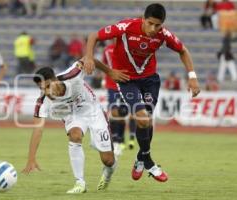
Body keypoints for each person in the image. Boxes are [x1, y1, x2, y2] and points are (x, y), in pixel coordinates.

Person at [83, 3, 200, 182]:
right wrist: (90, 57)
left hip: (150, 80)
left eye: (158, 25)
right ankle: (149, 162)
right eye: (150, 23)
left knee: (147, 122)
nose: (153, 29)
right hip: (126, 80)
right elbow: (94, 36)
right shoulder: (126, 27)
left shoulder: (163, 35)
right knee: (143, 118)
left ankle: (140, 158)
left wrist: (192, 77)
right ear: (143, 19)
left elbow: (183, 51)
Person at [22, 59, 129, 193]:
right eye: (42, 88)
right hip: (73, 116)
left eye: (48, 86)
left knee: (108, 160)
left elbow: (88, 59)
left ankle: (108, 173)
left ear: (56, 79)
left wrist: (109, 72)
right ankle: (80, 182)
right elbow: (37, 130)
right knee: (75, 135)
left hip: (93, 111)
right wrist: (31, 158)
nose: (47, 92)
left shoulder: (73, 74)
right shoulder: (43, 101)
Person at [102, 40, 136, 157]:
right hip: (111, 85)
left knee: (122, 113)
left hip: (124, 84)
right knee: (114, 111)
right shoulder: (107, 50)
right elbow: (105, 65)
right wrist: (104, 78)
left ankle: (122, 139)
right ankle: (117, 140)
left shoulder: (127, 49)